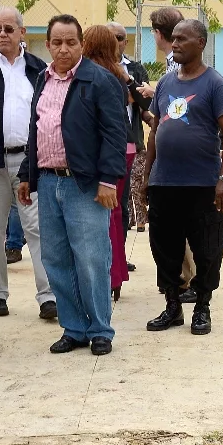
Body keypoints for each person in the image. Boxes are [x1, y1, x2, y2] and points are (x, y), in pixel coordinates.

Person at [17, 14, 126, 357]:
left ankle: (99, 329)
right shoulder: (42, 79)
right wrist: (26, 174)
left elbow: (114, 134)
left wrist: (108, 180)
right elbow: (37, 130)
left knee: (91, 257)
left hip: (86, 185)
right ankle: (74, 327)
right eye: (57, 42)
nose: (63, 49)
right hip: (49, 184)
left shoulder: (99, 80)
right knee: (56, 258)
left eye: (71, 42)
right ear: (47, 44)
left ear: (81, 45)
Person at [137, 19, 223, 336]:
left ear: (201, 43)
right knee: (164, 247)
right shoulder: (166, 83)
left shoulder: (215, 84)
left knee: (207, 248)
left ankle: (202, 307)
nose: (175, 43)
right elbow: (156, 130)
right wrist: (147, 175)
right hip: (165, 183)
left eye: (182, 38)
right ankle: (172, 306)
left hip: (203, 185)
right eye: (174, 38)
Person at [0, 7, 56, 321]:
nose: (2, 34)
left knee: (37, 228)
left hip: (29, 161)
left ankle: (48, 296)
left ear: (22, 33)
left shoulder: (39, 69)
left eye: (8, 29)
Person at [82, 23, 149, 302]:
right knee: (115, 214)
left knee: (102, 216)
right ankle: (116, 275)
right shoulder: (120, 74)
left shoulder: (92, 75)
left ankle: (110, 275)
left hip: (104, 152)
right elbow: (140, 105)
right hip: (125, 148)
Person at [109, 20, 148, 245]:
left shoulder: (134, 68)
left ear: (125, 42)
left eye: (120, 38)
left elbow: (143, 99)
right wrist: (130, 94)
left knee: (122, 204)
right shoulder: (94, 67)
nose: (116, 42)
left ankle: (119, 257)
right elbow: (130, 97)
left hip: (128, 143)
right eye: (111, 37)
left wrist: (129, 87)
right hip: (102, 144)